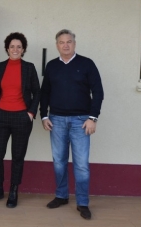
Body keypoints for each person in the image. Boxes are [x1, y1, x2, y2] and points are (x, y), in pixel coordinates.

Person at [40, 29, 104, 220]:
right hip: (57, 120)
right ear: (57, 45)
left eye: (69, 41)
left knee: (81, 165)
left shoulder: (87, 64)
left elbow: (98, 92)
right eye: (61, 42)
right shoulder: (52, 66)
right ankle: (61, 196)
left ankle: (82, 203)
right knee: (59, 161)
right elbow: (45, 93)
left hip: (81, 122)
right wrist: (44, 116)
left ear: (74, 44)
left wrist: (93, 118)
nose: (65, 45)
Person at [0, 32, 40, 208]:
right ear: (7, 48)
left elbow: (37, 92)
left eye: (19, 46)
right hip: (1, 116)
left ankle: (14, 190)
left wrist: (31, 113)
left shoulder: (29, 68)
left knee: (18, 156)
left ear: (23, 49)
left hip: (21, 118)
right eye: (12, 46)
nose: (15, 49)